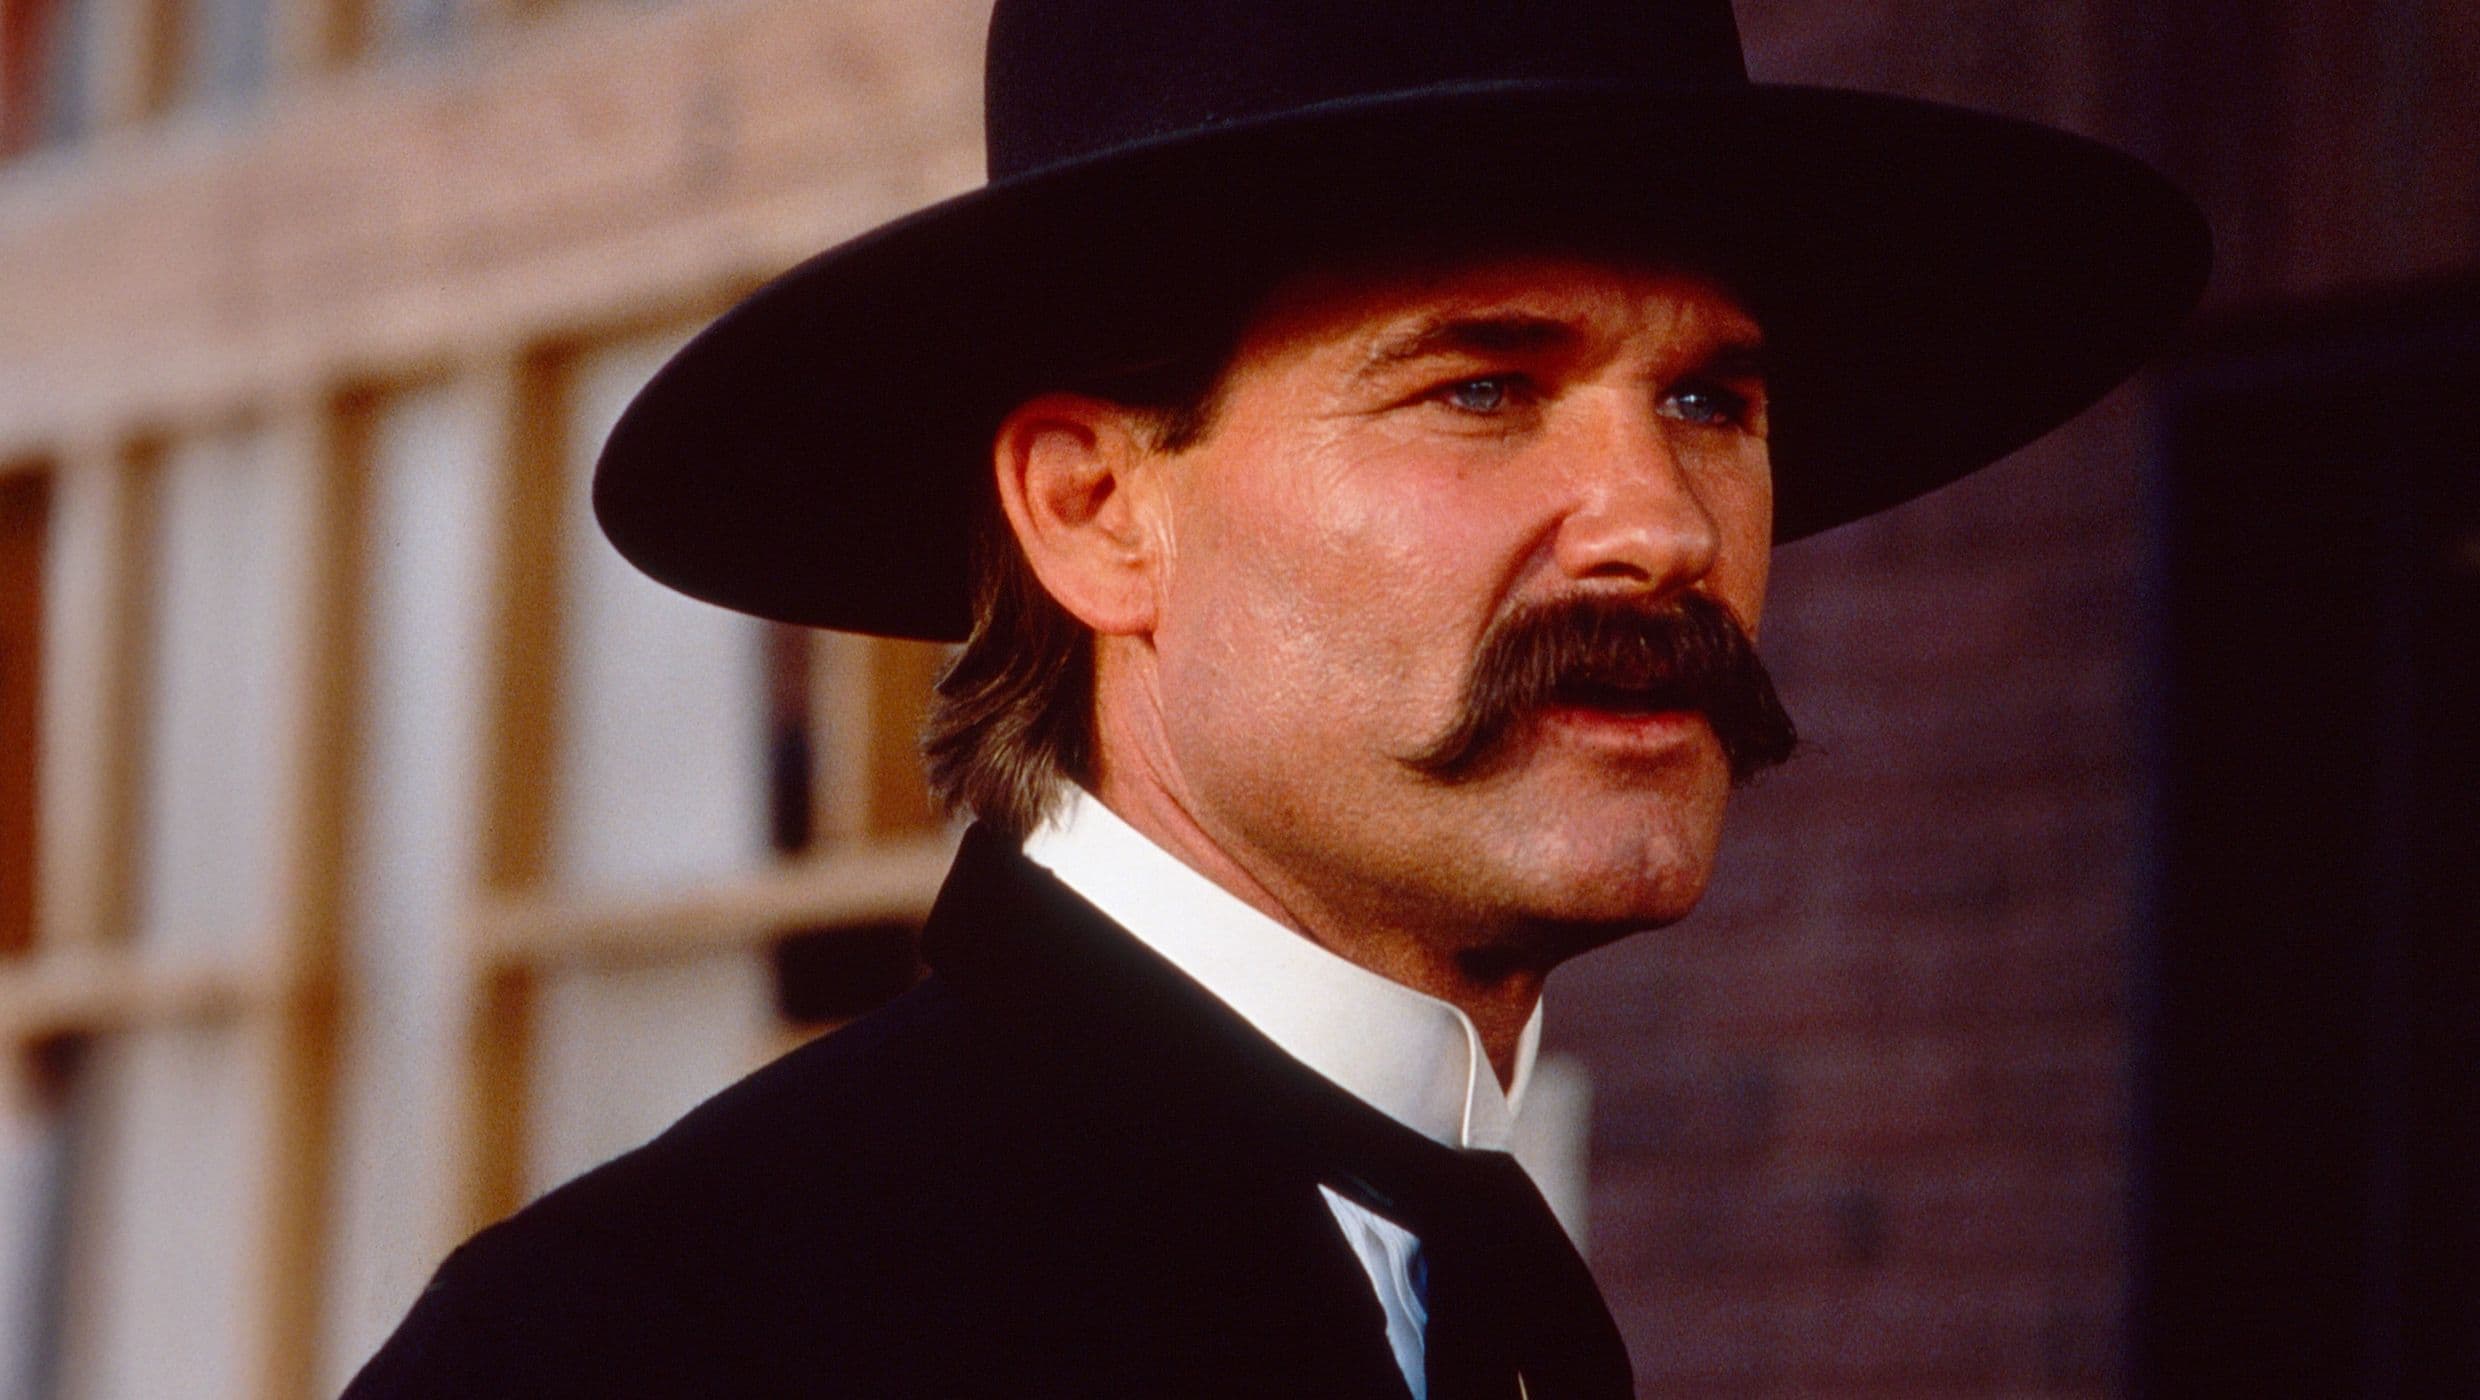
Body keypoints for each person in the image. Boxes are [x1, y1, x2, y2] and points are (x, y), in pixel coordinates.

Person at [347, 0, 2207, 1395]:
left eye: (1710, 401)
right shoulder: (675, 1337)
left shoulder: (1494, 1301)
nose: (1659, 525)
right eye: (1480, 389)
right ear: (1096, 511)